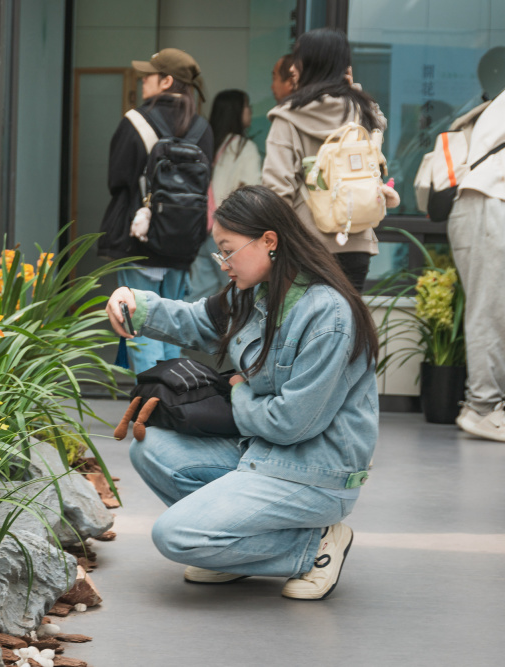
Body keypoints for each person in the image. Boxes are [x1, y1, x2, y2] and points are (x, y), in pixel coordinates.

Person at [106, 185, 379, 600]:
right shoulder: (253, 293)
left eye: (228, 250)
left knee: (173, 537)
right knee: (150, 450)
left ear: (269, 241)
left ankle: (315, 546)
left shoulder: (330, 315)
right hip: (262, 449)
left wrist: (239, 394)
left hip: (316, 472)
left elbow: (292, 423)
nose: (224, 264)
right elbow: (196, 321)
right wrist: (136, 303)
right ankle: (231, 553)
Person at [97, 48, 214, 374]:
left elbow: (118, 179)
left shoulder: (135, 121)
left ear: (166, 81)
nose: (142, 81)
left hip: (140, 239)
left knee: (138, 323)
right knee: (175, 324)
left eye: (148, 75)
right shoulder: (202, 128)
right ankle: (173, 403)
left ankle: (151, 408)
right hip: (182, 243)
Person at [262, 28, 388, 293]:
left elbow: (277, 190)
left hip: (307, 248)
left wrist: (276, 250)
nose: (292, 68)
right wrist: (352, 88)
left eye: (297, 58)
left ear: (307, 64)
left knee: (308, 332)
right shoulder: (361, 111)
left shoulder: (287, 117)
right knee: (348, 328)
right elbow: (379, 127)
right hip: (356, 245)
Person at [450, 47, 505, 441]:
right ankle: (482, 407)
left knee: (492, 308)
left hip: (484, 204)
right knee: (489, 310)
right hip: (486, 204)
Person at [189, 89, 263, 301]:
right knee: (235, 296)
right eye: (247, 106)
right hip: (229, 230)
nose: (249, 110)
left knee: (200, 295)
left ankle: (197, 334)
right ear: (237, 111)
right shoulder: (244, 148)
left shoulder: (208, 145)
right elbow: (252, 192)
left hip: (202, 228)